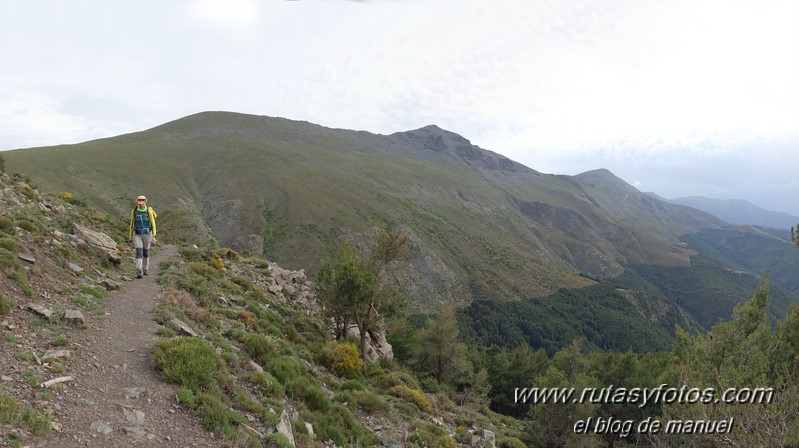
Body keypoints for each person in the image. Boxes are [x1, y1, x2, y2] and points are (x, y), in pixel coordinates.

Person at [128, 195, 157, 278]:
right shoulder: (134, 211)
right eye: (140, 200)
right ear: (137, 201)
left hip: (147, 234)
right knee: (139, 252)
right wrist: (130, 235)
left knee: (146, 252)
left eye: (143, 200)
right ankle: (139, 270)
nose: (141, 201)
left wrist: (154, 236)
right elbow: (131, 224)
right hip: (137, 234)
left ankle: (145, 268)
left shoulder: (149, 211)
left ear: (146, 201)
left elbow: (153, 224)